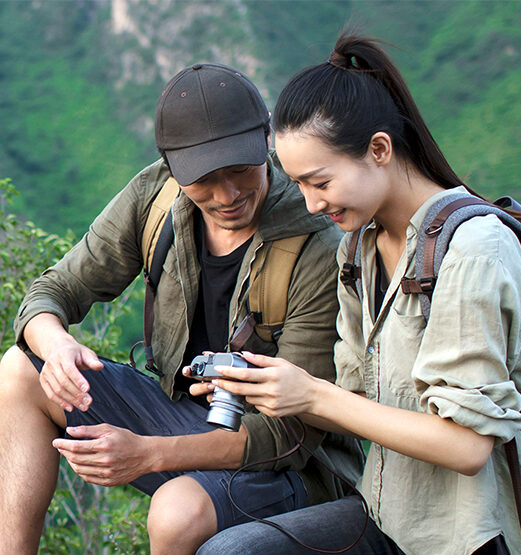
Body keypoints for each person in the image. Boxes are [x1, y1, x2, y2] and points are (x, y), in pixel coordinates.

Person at [192, 35, 521, 554]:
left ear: (379, 149)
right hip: (388, 514)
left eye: (320, 182)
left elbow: (468, 445)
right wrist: (259, 385)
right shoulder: (358, 251)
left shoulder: (474, 248)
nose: (313, 205)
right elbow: (357, 402)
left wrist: (315, 394)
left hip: (469, 535)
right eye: (299, 185)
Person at [0, 62, 365, 554]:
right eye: (205, 179)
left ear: (266, 142)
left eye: (241, 168)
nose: (228, 194)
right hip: (185, 417)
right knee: (21, 368)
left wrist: (148, 454)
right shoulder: (155, 198)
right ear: (173, 168)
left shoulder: (313, 242)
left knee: (176, 511)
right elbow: (51, 293)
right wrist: (57, 344)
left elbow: (288, 434)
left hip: (287, 464)